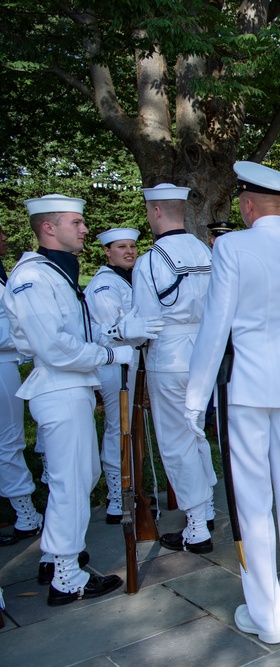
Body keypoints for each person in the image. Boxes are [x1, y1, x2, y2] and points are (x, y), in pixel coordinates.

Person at [185, 161, 280, 645]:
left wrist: (195, 396)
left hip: (244, 390)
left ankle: (267, 614)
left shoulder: (231, 246)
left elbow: (215, 327)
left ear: (248, 205)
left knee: (252, 499)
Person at [1, 194, 162, 605]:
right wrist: (111, 353)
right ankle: (67, 577)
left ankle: (56, 556)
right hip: (58, 386)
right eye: (77, 222)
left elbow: (79, 333)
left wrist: (118, 334)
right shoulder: (34, 277)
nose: (86, 229)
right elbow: (54, 347)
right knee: (71, 483)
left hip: (71, 387)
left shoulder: (57, 273)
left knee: (78, 476)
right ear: (48, 228)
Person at [132, 183, 218, 554]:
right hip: (203, 353)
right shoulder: (205, 251)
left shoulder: (150, 259)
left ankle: (196, 526)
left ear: (155, 212)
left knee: (176, 441)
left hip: (168, 357)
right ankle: (207, 507)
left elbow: (145, 323)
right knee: (196, 433)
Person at [84, 227, 141, 524]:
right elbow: (114, 328)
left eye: (132, 246)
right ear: (107, 252)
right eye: (121, 247)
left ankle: (131, 488)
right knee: (117, 428)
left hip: (131, 362)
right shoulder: (105, 284)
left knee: (130, 428)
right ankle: (117, 497)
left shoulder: (129, 278)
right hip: (114, 364)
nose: (129, 251)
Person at [0, 219, 46, 547]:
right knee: (9, 440)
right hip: (3, 361)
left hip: (8, 360)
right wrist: (30, 336)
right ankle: (25, 513)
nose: (4, 237)